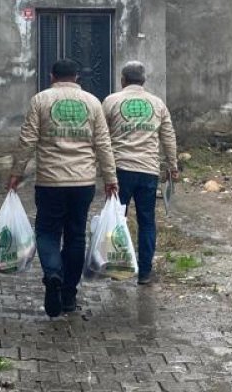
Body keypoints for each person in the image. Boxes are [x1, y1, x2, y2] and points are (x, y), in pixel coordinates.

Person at [9, 59, 118, 317]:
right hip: (83, 182)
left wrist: (16, 173)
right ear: (77, 77)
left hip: (50, 181)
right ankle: (69, 295)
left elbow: (27, 140)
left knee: (47, 231)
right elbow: (103, 143)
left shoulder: (40, 101)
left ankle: (53, 273)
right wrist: (110, 177)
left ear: (51, 76)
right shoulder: (92, 102)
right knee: (76, 235)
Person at [102, 61, 178, 286]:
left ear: (123, 80)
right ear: (144, 81)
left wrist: (101, 167)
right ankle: (145, 272)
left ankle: (117, 267)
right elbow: (168, 137)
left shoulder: (111, 101)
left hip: (120, 171)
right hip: (148, 171)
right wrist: (172, 167)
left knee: (117, 220)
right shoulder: (157, 103)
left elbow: (100, 135)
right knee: (147, 222)